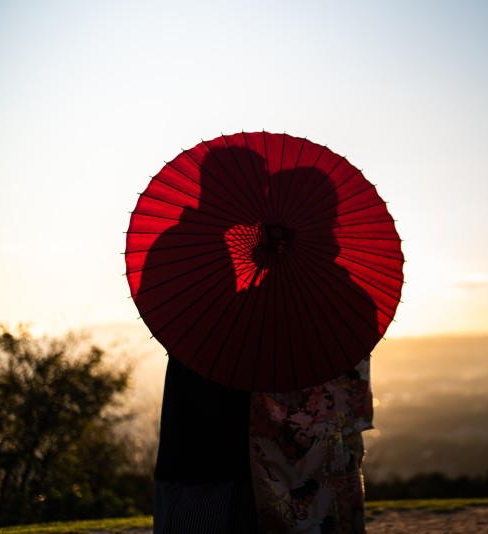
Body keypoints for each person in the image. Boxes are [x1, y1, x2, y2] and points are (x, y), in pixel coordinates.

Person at [141, 143, 378, 533]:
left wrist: (266, 276)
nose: (263, 203)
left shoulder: (261, 280)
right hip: (231, 447)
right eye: (260, 192)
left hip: (256, 455)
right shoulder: (351, 296)